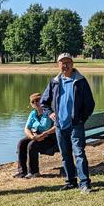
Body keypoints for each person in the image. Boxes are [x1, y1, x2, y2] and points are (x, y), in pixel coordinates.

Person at [40, 53, 96, 194]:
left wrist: (81, 119)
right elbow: (44, 102)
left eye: (68, 62)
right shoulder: (54, 82)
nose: (65, 65)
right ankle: (71, 181)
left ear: (72, 63)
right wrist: (51, 113)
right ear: (58, 65)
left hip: (76, 125)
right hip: (60, 126)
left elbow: (90, 104)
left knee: (79, 153)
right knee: (65, 154)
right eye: (62, 63)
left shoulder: (81, 81)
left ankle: (84, 183)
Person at [13, 92, 58, 178]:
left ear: (43, 101)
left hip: (50, 138)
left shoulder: (50, 112)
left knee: (32, 145)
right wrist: (32, 137)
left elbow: (57, 127)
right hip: (36, 136)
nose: (36, 103)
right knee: (21, 143)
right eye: (33, 102)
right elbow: (26, 128)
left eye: (38, 100)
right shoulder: (33, 114)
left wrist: (45, 134)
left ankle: (34, 172)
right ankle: (22, 172)